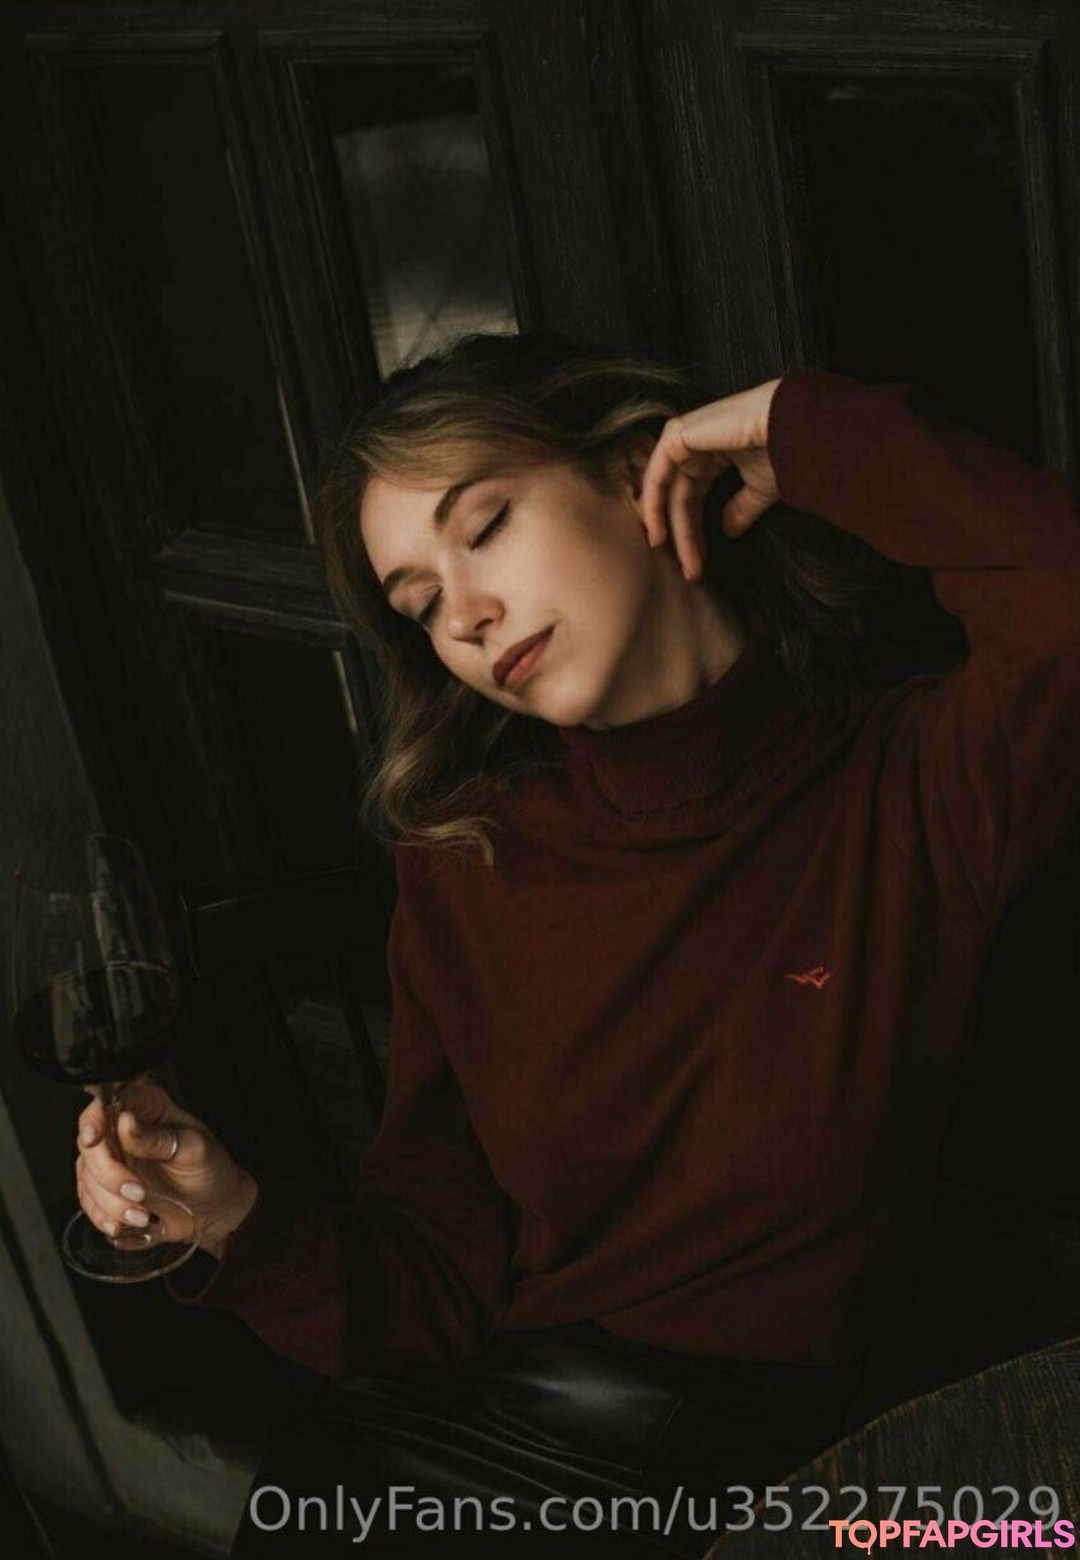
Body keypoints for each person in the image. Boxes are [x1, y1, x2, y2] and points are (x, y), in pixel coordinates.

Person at [73, 334, 1080, 1555]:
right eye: (422, 605)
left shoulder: (913, 784)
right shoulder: (468, 863)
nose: (468, 615)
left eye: (486, 525)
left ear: (630, 471)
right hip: (487, 1450)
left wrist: (798, 430)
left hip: (801, 1480)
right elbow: (437, 1273)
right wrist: (229, 1214)